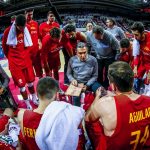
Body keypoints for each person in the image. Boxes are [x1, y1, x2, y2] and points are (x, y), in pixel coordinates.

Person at [85, 61, 150, 150]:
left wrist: (97, 97)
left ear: (113, 86)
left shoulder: (104, 104)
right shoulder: (148, 100)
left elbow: (88, 119)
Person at [17, 77, 85, 150]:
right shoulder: (67, 117)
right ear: (56, 95)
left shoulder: (22, 115)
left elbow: (25, 141)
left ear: (37, 94)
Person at [2, 14, 37, 109]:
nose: (22, 29)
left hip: (26, 61)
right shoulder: (7, 32)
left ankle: (34, 98)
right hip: (15, 64)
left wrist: (28, 56)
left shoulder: (28, 28)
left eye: (23, 27)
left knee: (30, 82)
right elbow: (5, 49)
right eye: (19, 27)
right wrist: (12, 59)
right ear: (15, 24)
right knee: (22, 86)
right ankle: (27, 103)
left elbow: (30, 44)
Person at [67, 42, 101, 106]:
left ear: (87, 51)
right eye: (80, 53)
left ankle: (97, 110)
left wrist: (88, 85)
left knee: (101, 92)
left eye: (84, 52)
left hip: (90, 82)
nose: (83, 55)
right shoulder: (72, 60)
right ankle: (76, 112)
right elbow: (69, 74)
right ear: (76, 52)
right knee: (76, 99)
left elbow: (95, 75)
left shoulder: (93, 60)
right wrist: (72, 80)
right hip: (77, 82)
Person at [131, 22, 150, 96]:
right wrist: (135, 68)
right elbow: (136, 55)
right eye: (133, 34)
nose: (134, 37)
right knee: (135, 75)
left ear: (143, 33)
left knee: (148, 80)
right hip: (143, 60)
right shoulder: (136, 40)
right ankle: (136, 93)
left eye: (136, 34)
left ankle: (146, 96)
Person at [25, 9, 43, 79]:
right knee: (30, 73)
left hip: (36, 52)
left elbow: (38, 37)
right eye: (28, 15)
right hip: (27, 53)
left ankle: (42, 85)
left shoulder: (35, 23)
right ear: (25, 14)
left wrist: (40, 43)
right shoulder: (22, 25)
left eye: (31, 14)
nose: (30, 16)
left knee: (39, 71)